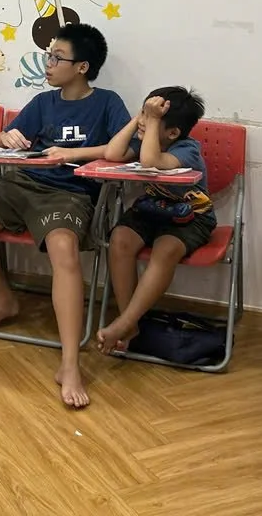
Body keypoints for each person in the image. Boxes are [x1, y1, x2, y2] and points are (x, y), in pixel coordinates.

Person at [0, 22, 129, 409]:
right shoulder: (42, 103)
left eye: (56, 57)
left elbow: (126, 151)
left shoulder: (108, 103)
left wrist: (72, 154)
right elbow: (5, 139)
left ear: (82, 67)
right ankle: (4, 300)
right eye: (48, 56)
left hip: (69, 191)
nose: (47, 64)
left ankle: (70, 364)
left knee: (63, 251)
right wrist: (6, 138)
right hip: (22, 183)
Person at [97, 86, 211, 354]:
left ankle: (124, 322)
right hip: (152, 210)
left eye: (152, 118)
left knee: (165, 249)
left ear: (172, 132)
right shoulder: (147, 138)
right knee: (119, 239)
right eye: (145, 113)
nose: (145, 121)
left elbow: (150, 162)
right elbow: (112, 154)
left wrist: (151, 121)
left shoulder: (187, 148)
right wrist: (140, 118)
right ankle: (131, 324)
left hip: (192, 216)